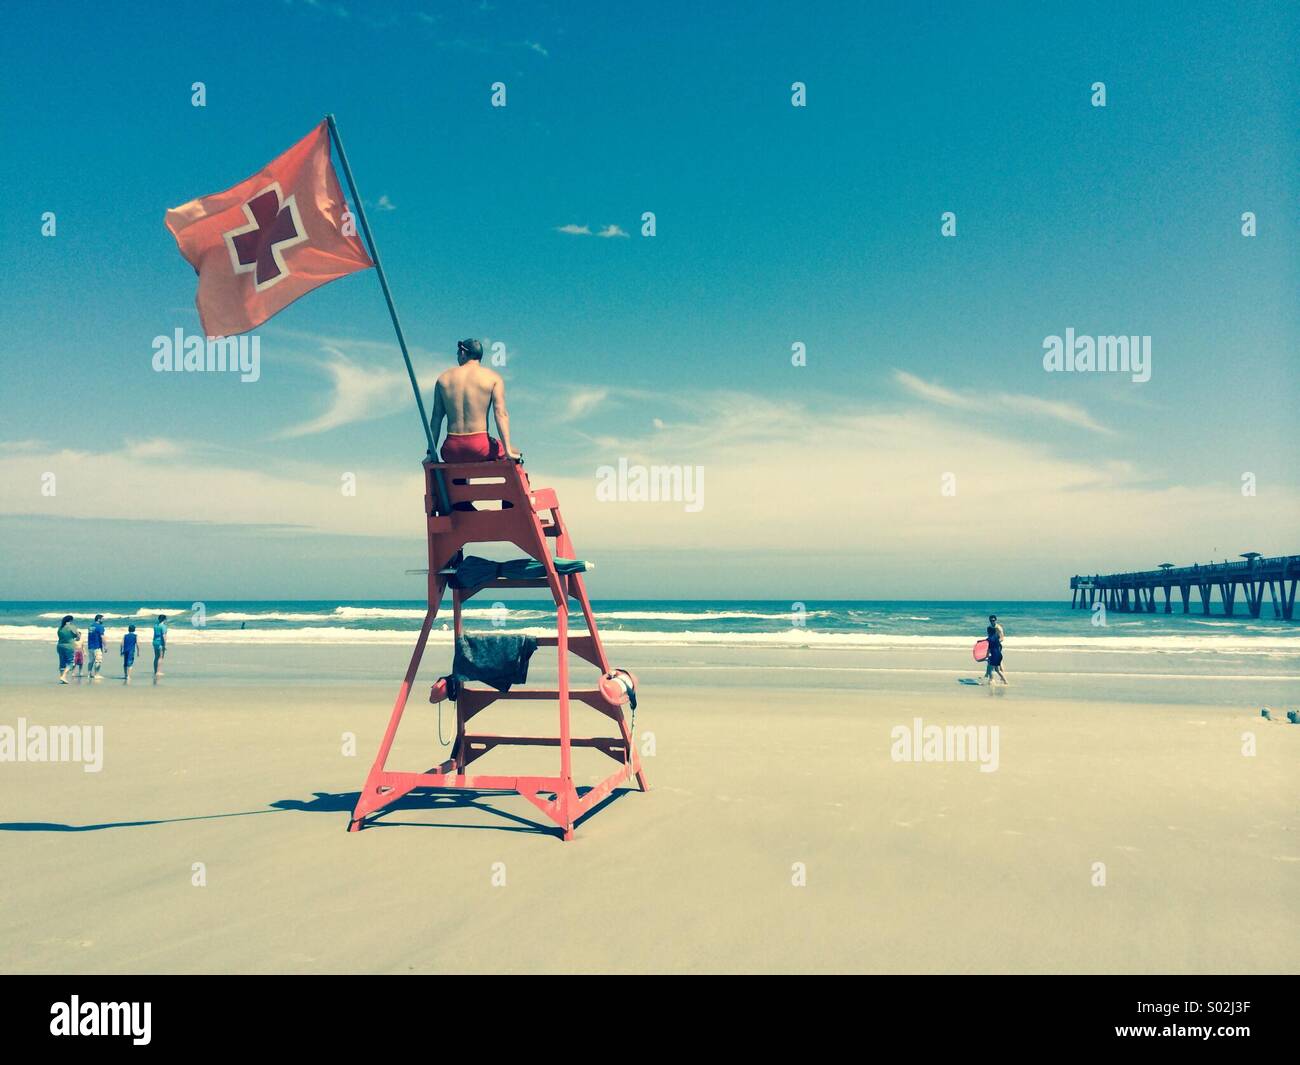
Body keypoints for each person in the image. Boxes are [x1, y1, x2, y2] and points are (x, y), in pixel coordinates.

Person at [429, 338, 520, 463]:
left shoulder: (443, 379)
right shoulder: (493, 378)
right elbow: (501, 414)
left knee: (457, 461)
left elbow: (436, 418)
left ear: (462, 353)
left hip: (451, 449)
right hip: (480, 447)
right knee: (515, 451)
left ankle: (459, 483)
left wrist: (430, 453)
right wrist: (508, 450)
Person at [984, 614, 1007, 685]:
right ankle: (989, 674)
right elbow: (989, 636)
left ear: (995, 620)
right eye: (991, 620)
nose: (992, 622)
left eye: (993, 620)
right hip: (991, 645)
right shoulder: (989, 627)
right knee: (991, 660)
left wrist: (995, 641)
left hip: (997, 645)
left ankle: (999, 676)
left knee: (998, 662)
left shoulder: (999, 628)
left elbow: (1002, 638)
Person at [56, 615, 80, 684]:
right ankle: (63, 676)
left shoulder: (60, 628)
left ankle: (62, 678)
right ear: (71, 620)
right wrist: (76, 638)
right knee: (71, 663)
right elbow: (78, 636)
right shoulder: (72, 627)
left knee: (62, 662)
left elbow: (60, 636)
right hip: (69, 646)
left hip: (60, 646)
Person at [87, 613, 106, 681]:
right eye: (102, 619)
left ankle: (89, 674)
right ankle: (96, 674)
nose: (103, 620)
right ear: (99, 619)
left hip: (90, 646)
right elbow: (102, 637)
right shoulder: (100, 627)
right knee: (98, 661)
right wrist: (105, 646)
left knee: (91, 661)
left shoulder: (91, 626)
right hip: (97, 646)